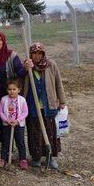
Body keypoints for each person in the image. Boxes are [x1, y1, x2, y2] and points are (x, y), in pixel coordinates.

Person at [23, 42, 67, 170]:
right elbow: (20, 80)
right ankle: (36, 157)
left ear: (43, 54)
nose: (37, 56)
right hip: (32, 104)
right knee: (34, 131)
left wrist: (62, 100)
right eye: (34, 53)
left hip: (49, 104)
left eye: (39, 53)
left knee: (50, 131)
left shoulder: (51, 64)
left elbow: (58, 82)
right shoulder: (27, 65)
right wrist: (26, 69)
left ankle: (51, 157)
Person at [0, 30, 27, 138]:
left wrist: (26, 68)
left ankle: (6, 144)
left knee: (5, 119)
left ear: (4, 41)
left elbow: (19, 72)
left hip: (6, 94)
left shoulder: (11, 55)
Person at [0, 79, 28, 170]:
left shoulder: (22, 100)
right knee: (5, 142)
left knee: (20, 142)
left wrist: (18, 120)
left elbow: (25, 112)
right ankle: (3, 159)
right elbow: (0, 111)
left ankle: (23, 160)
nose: (12, 91)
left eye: (14, 89)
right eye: (10, 89)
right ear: (7, 90)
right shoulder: (4, 99)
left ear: (19, 90)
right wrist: (6, 120)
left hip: (18, 125)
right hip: (7, 124)